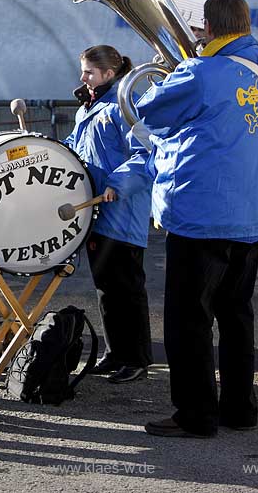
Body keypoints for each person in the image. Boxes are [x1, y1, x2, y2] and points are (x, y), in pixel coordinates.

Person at [112, 0, 258, 438]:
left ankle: (195, 414)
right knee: (236, 315)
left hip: (201, 214)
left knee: (188, 320)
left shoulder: (199, 73)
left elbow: (146, 111)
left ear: (207, 29)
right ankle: (239, 409)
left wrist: (171, 72)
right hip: (249, 214)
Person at [63, 45, 152, 384]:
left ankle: (138, 359)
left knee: (127, 288)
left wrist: (118, 183)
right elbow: (75, 145)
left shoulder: (125, 106)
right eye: (82, 70)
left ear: (109, 74)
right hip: (96, 210)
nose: (82, 77)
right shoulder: (90, 108)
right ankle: (116, 352)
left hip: (122, 209)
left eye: (88, 71)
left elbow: (147, 153)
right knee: (106, 287)